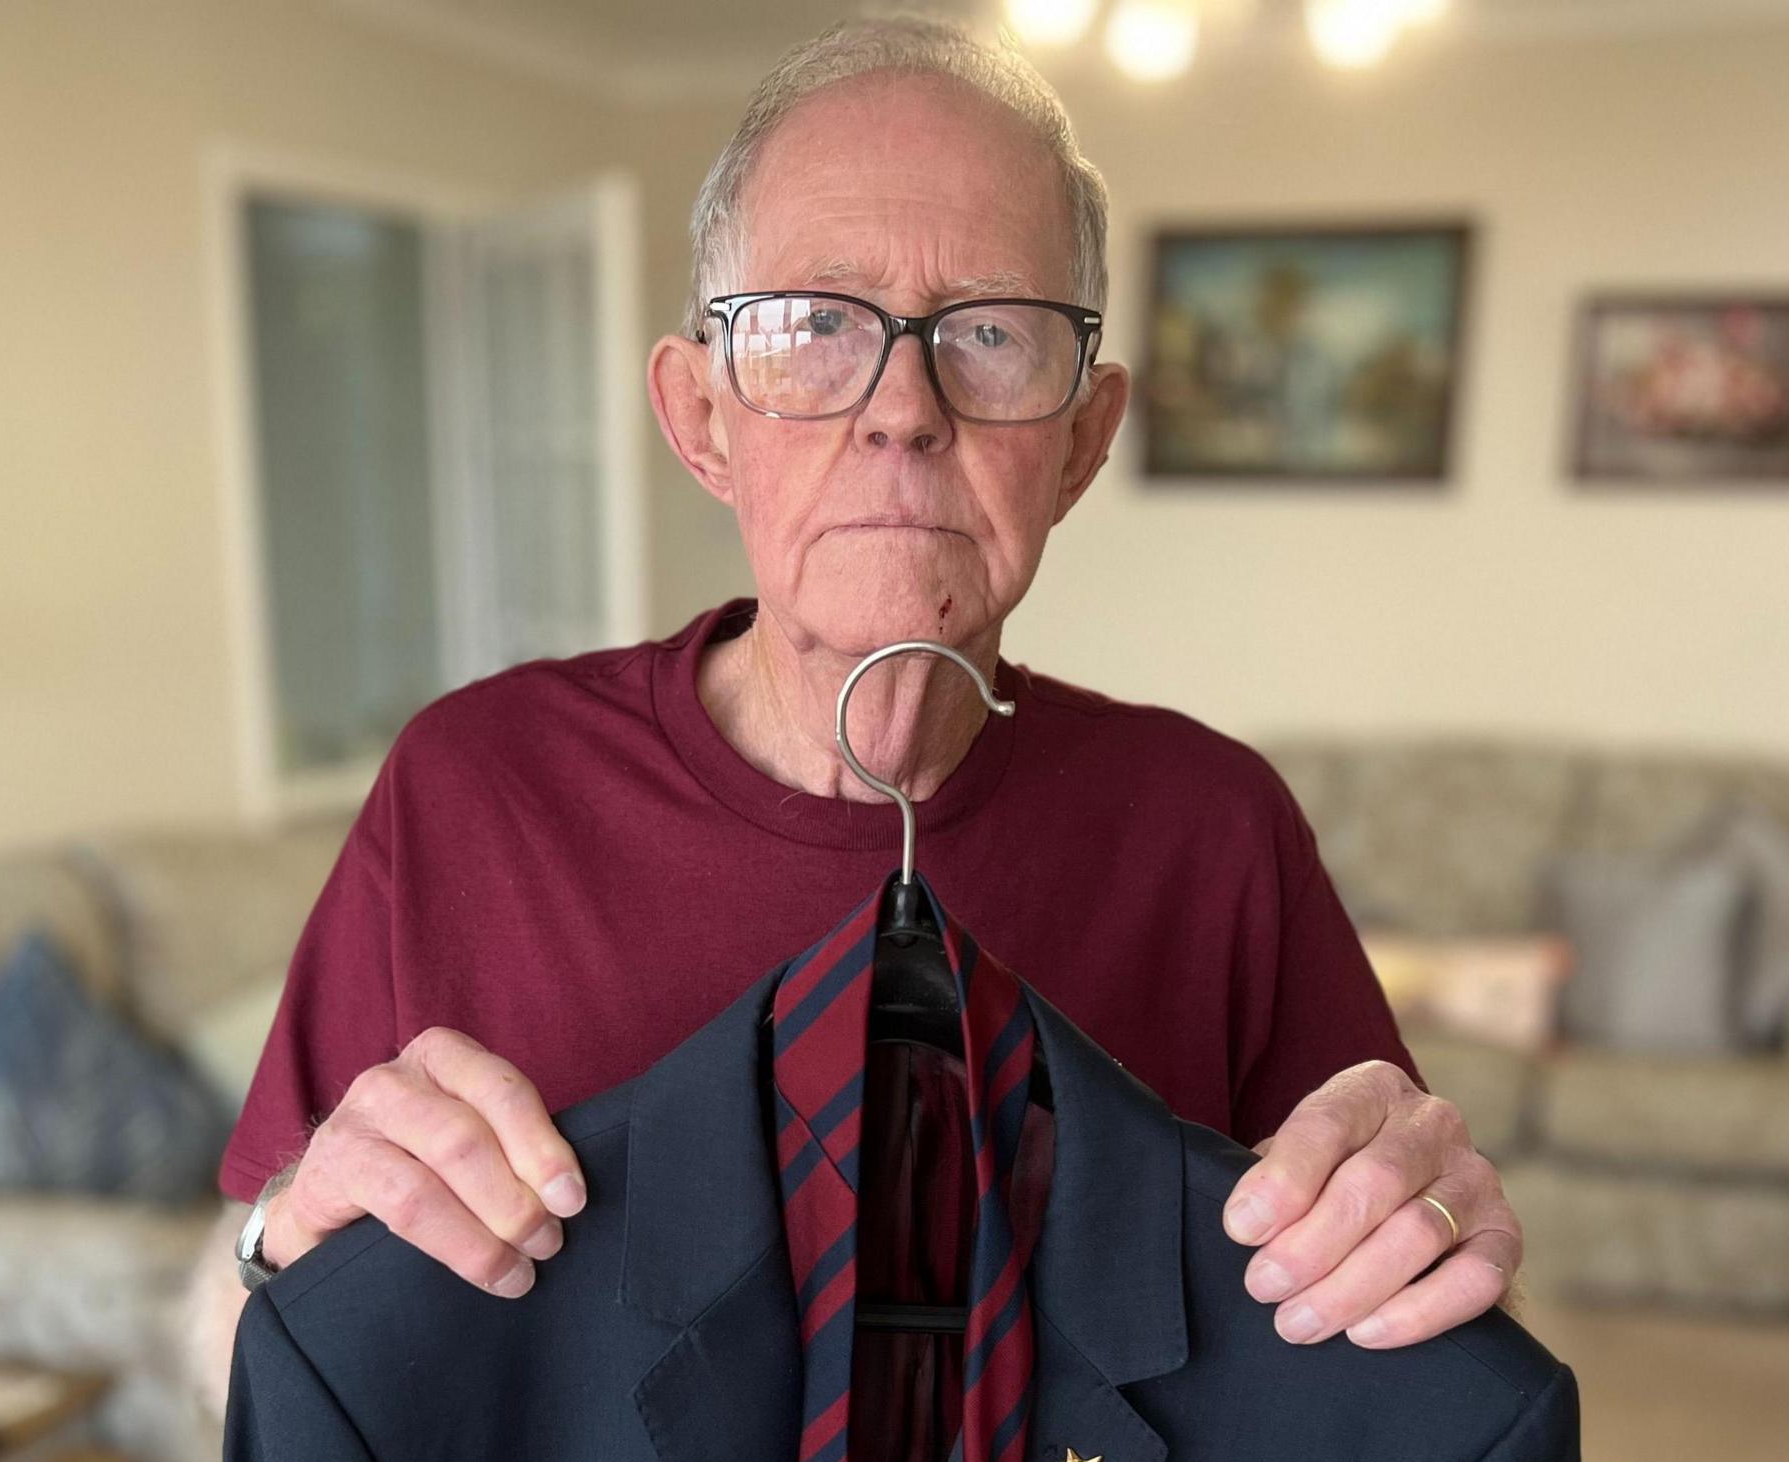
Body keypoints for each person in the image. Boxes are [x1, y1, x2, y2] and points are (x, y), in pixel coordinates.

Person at [211, 18, 1521, 1366]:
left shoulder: (1215, 830)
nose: (904, 408)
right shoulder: (471, 785)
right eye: (815, 325)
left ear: (1082, 442)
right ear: (703, 420)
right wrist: (279, 1245)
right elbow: (235, 1334)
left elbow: (1388, 1364)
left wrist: (1434, 1243)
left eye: (993, 333)